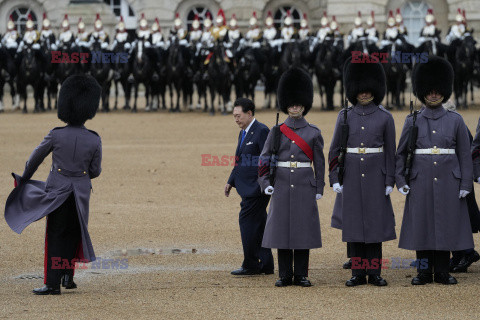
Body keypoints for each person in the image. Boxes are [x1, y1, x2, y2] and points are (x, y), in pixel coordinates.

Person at [4, 74, 102, 295]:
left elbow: (35, 159)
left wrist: (25, 177)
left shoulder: (56, 135)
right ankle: (68, 277)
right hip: (81, 193)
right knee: (73, 232)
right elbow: (95, 171)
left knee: (56, 235)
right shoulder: (95, 139)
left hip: (57, 190)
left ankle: (52, 283)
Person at [396, 56, 474, 285]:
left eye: (438, 91)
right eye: (429, 91)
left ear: (444, 92)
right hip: (420, 178)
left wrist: (465, 184)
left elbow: (464, 155)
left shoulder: (456, 120)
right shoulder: (413, 120)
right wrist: (401, 180)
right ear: (422, 92)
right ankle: (423, 271)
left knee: (445, 223)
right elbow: (400, 153)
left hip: (449, 179)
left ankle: (441, 270)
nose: (434, 94)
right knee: (422, 224)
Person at [329, 56, 396, 287]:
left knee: (375, 224)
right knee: (355, 224)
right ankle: (358, 272)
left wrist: (389, 180)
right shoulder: (345, 115)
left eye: (368, 90)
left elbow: (390, 152)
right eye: (361, 90)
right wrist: (334, 177)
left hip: (376, 175)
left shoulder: (385, 117)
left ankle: (374, 271)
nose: (365, 93)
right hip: (351, 175)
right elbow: (335, 149)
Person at [258, 67, 325, 287]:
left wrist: (319, 187)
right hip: (282, 183)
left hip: (305, 183)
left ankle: (301, 274)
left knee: (303, 229)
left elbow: (320, 163)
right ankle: (285, 274)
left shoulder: (313, 132)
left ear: (304, 105)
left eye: (298, 104)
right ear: (286, 105)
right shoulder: (276, 131)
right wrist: (265, 182)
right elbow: (264, 158)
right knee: (282, 229)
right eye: (291, 104)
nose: (295, 107)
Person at [225, 98, 274, 276]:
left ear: (249, 113)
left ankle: (251, 265)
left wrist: (264, 184)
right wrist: (231, 181)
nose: (236, 119)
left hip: (257, 189)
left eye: (238, 116)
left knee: (247, 224)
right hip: (246, 187)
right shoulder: (243, 132)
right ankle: (266, 264)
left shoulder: (261, 131)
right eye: (234, 116)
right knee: (259, 225)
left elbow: (268, 159)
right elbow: (239, 160)